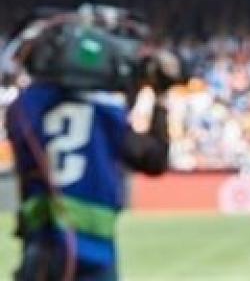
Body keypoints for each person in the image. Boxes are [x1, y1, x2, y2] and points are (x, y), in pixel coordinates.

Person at [7, 26, 178, 281]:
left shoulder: (24, 107)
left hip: (43, 252)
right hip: (96, 255)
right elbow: (154, 160)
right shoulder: (107, 113)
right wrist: (159, 94)